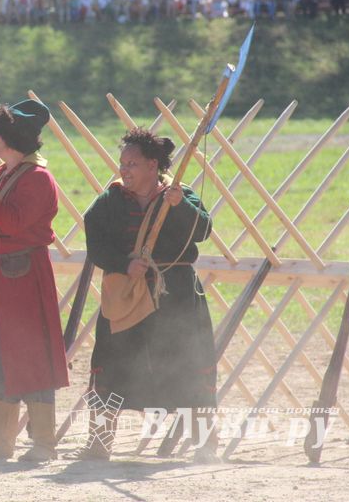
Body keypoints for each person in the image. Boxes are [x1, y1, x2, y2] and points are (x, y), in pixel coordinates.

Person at [67, 128, 217, 463]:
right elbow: (96, 245)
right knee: (110, 364)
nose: (125, 169)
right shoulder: (110, 201)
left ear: (153, 165)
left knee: (188, 364)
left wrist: (178, 206)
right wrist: (124, 263)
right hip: (126, 292)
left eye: (132, 163)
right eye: (123, 163)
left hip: (174, 292)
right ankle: (99, 443)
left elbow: (204, 230)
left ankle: (205, 445)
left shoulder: (179, 195)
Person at [0, 99, 69, 462]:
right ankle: (1, 441)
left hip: (24, 276)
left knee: (32, 359)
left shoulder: (38, 179)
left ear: (9, 139)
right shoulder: (1, 175)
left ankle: (43, 445)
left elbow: (13, 221)